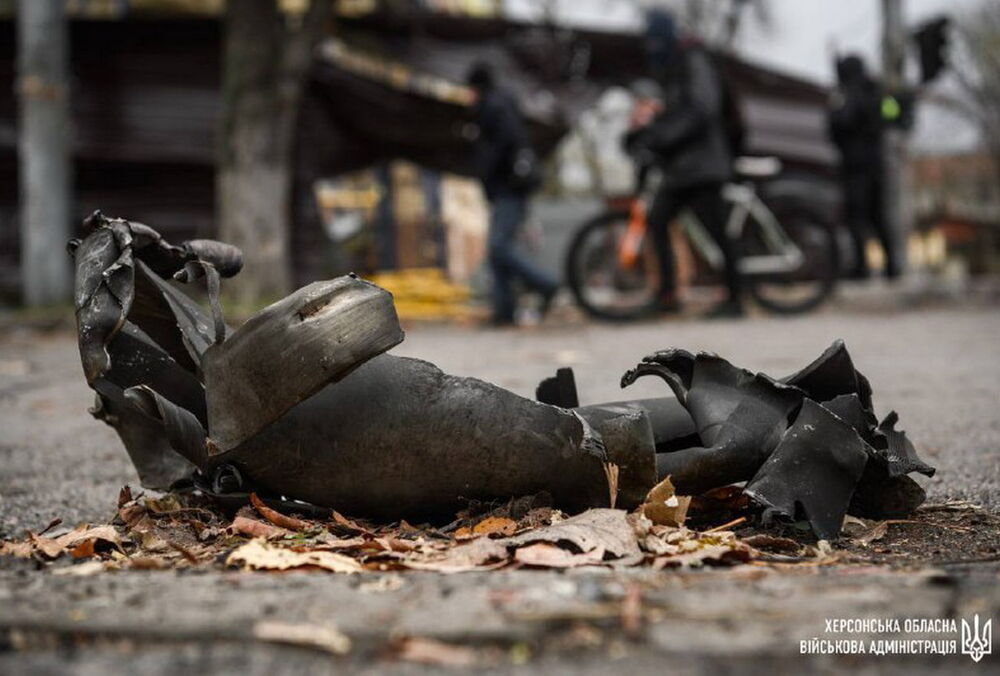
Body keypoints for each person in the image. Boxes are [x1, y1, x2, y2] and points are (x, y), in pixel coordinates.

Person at [624, 10, 743, 317]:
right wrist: (648, 132)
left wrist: (662, 137)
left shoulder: (694, 61)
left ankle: (736, 299)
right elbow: (675, 112)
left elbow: (703, 109)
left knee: (716, 230)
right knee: (658, 219)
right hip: (683, 167)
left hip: (703, 165)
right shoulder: (674, 68)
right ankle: (667, 295)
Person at [467, 62, 558, 326]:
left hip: (510, 187)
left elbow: (505, 144)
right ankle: (504, 311)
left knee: (498, 247)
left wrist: (487, 169)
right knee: (496, 251)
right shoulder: (500, 104)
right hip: (506, 187)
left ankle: (545, 284)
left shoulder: (494, 107)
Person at [828, 54, 899, 279]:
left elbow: (840, 121)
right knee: (878, 217)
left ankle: (862, 267)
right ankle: (892, 266)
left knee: (857, 217)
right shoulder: (877, 93)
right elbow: (892, 114)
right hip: (875, 164)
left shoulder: (848, 94)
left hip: (856, 166)